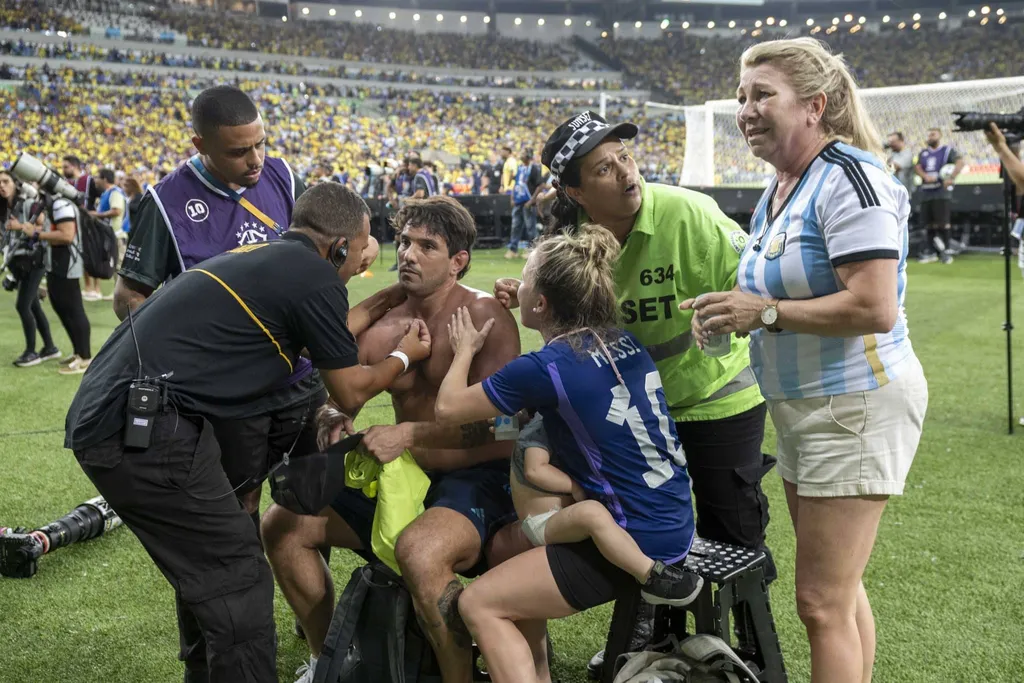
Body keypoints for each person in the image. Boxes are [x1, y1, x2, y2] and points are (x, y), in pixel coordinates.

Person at [64, 182, 426, 683]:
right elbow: (348, 390)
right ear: (339, 247)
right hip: (139, 426)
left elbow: (323, 333)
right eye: (361, 251)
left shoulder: (269, 257)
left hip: (116, 412)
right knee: (237, 575)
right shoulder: (315, 276)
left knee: (211, 573)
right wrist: (405, 355)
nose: (360, 263)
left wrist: (388, 298)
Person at [688, 37, 928, 683]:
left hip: (853, 403)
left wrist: (762, 313)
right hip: (807, 406)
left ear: (814, 106)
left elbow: (873, 306)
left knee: (821, 602)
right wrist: (730, 313)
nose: (746, 110)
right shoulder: (783, 185)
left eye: (763, 94)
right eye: (742, 96)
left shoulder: (850, 178)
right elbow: (777, 293)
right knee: (840, 594)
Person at [494, 110, 774, 664]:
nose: (627, 172)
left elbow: (755, 282)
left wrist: (735, 311)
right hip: (637, 411)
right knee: (637, 526)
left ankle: (747, 649)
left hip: (717, 398)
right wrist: (526, 295)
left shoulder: (688, 213)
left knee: (732, 529)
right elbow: (564, 323)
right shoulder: (570, 245)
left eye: (625, 157)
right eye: (604, 168)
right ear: (574, 191)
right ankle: (648, 639)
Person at [111, 85, 377, 581]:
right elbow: (129, 298)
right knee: (236, 509)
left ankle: (310, 612)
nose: (255, 160)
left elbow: (335, 247)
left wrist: (363, 250)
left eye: (260, 143)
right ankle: (236, 614)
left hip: (303, 381)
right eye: (238, 151)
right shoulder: (165, 202)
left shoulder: (283, 177)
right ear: (200, 145)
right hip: (233, 396)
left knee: (311, 497)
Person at [261, 196, 520, 683]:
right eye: (403, 242)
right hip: (405, 473)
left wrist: (410, 435)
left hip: (478, 477)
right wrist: (332, 417)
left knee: (422, 554)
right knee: (283, 525)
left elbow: (506, 428)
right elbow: (342, 398)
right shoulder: (385, 322)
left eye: (427, 246)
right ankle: (327, 661)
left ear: (458, 261)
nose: (407, 254)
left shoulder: (486, 317)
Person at [435, 225, 700, 683]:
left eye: (524, 281)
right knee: (510, 564)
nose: (516, 287)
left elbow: (447, 409)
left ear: (541, 303)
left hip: (633, 538)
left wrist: (464, 350)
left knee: (477, 604)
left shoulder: (545, 368)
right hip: (674, 518)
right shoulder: (623, 340)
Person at [8, 186, 93, 374]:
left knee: (73, 310)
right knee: (62, 309)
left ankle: (86, 358)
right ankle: (78, 353)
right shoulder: (54, 204)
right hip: (55, 264)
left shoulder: (61, 204)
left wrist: (36, 234)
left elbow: (67, 235)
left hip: (67, 265)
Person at [1, 170, 60, 367]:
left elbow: (45, 228)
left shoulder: (28, 204)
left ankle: (31, 352)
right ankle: (50, 347)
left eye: (5, 181)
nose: (2, 186)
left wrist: (20, 227)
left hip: (33, 261)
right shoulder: (6, 208)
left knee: (23, 305)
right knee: (33, 305)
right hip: (18, 263)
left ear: (15, 184)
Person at [915, 127, 964, 264]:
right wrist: (925, 176)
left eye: (933, 134)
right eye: (928, 135)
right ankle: (931, 252)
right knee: (928, 224)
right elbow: (917, 167)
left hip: (941, 192)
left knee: (943, 223)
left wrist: (951, 177)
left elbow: (960, 162)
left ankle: (946, 252)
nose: (930, 137)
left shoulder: (947, 151)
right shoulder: (923, 153)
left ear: (940, 136)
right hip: (926, 192)